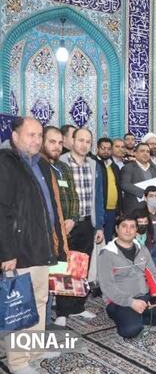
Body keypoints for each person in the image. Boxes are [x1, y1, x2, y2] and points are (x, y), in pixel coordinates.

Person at [0, 117, 65, 374]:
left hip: (41, 245)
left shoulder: (42, 164)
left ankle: (35, 349)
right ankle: (18, 362)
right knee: (20, 305)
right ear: (15, 136)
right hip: (19, 250)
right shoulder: (6, 163)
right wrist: (7, 252)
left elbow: (49, 207)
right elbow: (2, 211)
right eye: (31, 135)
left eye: (40, 135)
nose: (37, 140)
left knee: (40, 299)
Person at [98, 215, 156, 338]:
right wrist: (131, 303)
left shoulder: (142, 249)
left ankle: (136, 317)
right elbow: (107, 286)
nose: (128, 230)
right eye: (124, 226)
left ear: (136, 230)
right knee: (131, 331)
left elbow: (154, 273)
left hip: (144, 297)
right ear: (117, 229)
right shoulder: (106, 254)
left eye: (132, 227)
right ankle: (129, 318)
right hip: (120, 302)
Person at [57, 128, 105, 324]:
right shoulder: (60, 163)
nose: (84, 145)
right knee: (65, 267)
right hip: (67, 225)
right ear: (72, 141)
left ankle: (77, 307)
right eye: (81, 140)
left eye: (88, 141)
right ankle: (62, 312)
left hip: (87, 224)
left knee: (81, 267)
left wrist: (99, 226)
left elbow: (98, 197)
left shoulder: (94, 165)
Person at [41, 126, 79, 244]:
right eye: (52, 142)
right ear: (42, 142)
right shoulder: (36, 167)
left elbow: (73, 195)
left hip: (66, 230)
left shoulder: (64, 167)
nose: (57, 147)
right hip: (43, 231)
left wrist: (72, 219)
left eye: (60, 143)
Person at [120, 142, 156, 214]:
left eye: (147, 151)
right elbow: (125, 185)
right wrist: (147, 194)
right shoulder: (128, 168)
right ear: (135, 153)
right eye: (142, 151)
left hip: (155, 209)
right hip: (136, 209)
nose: (145, 153)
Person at [96, 137, 122, 240]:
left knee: (108, 240)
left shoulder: (114, 166)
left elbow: (118, 188)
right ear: (97, 149)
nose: (106, 151)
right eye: (103, 148)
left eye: (109, 149)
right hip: (99, 210)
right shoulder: (93, 164)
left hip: (112, 211)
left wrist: (118, 210)